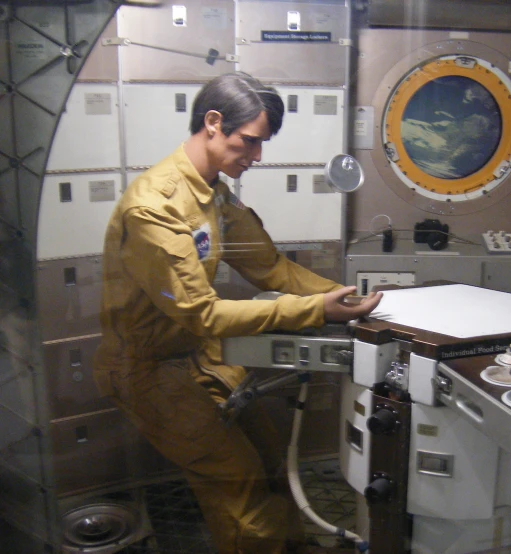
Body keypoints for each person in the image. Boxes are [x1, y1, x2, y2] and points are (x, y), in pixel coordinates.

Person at [93, 71, 382, 554]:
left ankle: (288, 546)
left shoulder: (213, 193)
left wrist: (345, 301)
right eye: (249, 142)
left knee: (269, 461)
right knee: (237, 479)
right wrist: (314, 311)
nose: (258, 156)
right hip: (145, 370)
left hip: (197, 358)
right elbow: (202, 314)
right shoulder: (154, 209)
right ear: (212, 123)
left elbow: (269, 267)